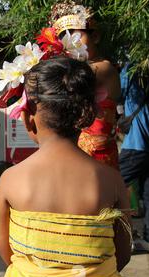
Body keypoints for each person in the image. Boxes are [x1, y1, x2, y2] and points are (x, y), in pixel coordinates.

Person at [0, 56, 133, 277]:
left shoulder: (10, 179)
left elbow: (4, 250)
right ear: (87, 116)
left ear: (28, 118)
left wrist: (40, 276)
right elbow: (122, 254)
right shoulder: (111, 181)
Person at [50, 1, 121, 169]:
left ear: (95, 36)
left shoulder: (104, 68)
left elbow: (68, 79)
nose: (70, 44)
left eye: (76, 36)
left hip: (98, 157)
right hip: (75, 154)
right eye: (64, 38)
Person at [119, 63, 149, 253]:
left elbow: (118, 92)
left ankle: (116, 236)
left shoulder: (131, 67)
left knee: (112, 183)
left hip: (136, 142)